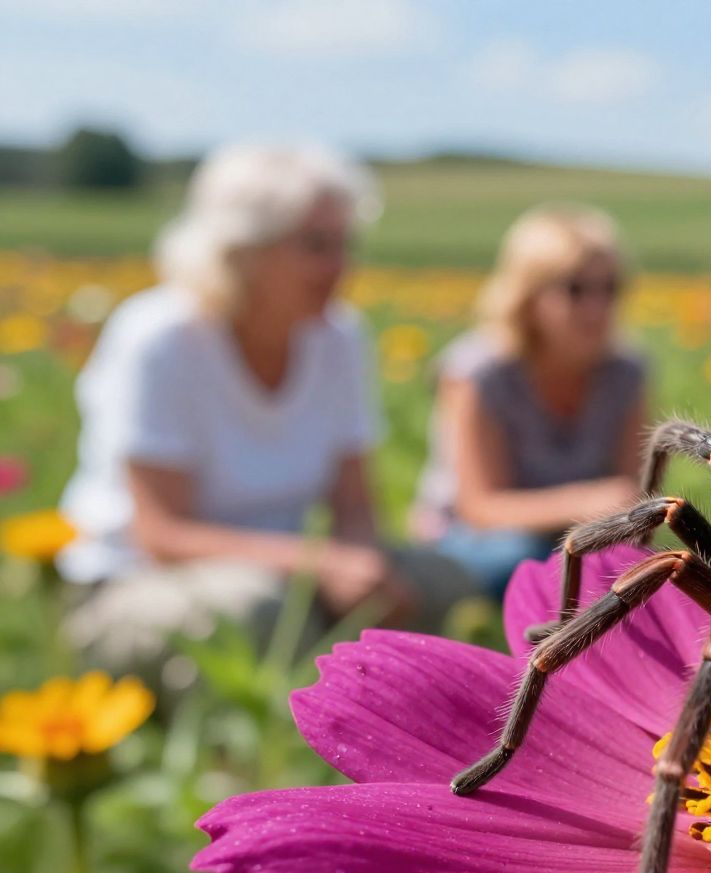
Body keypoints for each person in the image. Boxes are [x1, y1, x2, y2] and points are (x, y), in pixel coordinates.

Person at [59, 143, 477, 681]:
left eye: (345, 243)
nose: (339, 265)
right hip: (135, 586)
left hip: (292, 576)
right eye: (315, 245)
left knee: (442, 582)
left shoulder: (340, 337)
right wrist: (319, 562)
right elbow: (161, 535)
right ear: (243, 251)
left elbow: (355, 505)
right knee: (257, 615)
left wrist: (361, 567)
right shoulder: (160, 339)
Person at [412, 204, 645, 597]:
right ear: (528, 293)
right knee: (523, 559)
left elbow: (632, 497)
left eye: (610, 288)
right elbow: (479, 507)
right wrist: (583, 503)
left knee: (633, 566)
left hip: (579, 538)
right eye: (575, 289)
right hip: (474, 539)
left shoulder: (626, 372)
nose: (596, 306)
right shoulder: (478, 372)